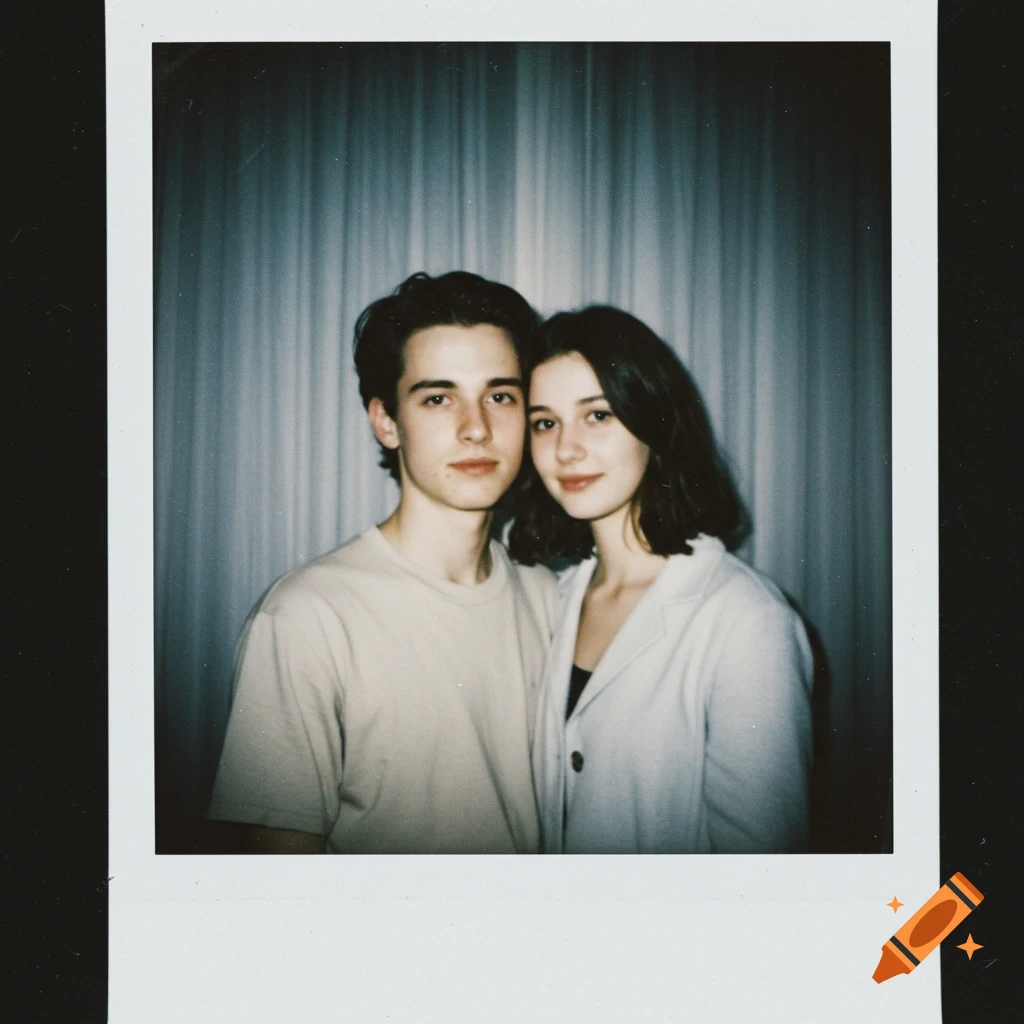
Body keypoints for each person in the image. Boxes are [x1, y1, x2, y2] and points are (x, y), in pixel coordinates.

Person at [208, 271, 557, 853]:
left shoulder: (551, 599)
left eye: (500, 395)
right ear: (386, 421)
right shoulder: (306, 618)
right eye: (439, 398)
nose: (477, 429)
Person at [508, 306, 813, 854]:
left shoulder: (748, 623)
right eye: (544, 422)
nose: (566, 448)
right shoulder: (550, 600)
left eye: (597, 415)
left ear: (655, 423)